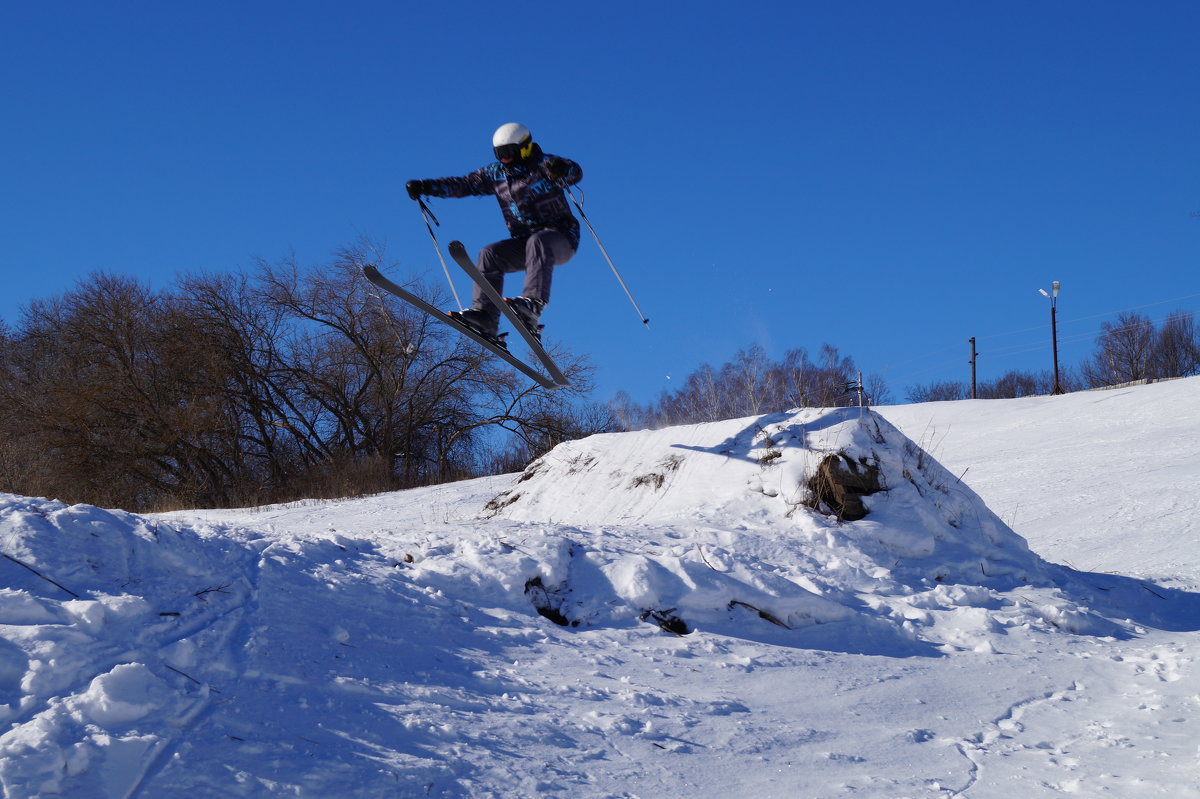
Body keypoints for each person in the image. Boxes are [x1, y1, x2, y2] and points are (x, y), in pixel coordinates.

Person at [405, 122, 583, 344]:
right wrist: (427, 186)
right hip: (525, 242)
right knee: (490, 254)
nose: (504, 158)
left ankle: (533, 304)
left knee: (539, 241)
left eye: (509, 152)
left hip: (561, 238)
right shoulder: (496, 173)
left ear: (524, 148)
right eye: (499, 153)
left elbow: (574, 172)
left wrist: (562, 170)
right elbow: (465, 184)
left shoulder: (543, 165)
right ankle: (485, 316)